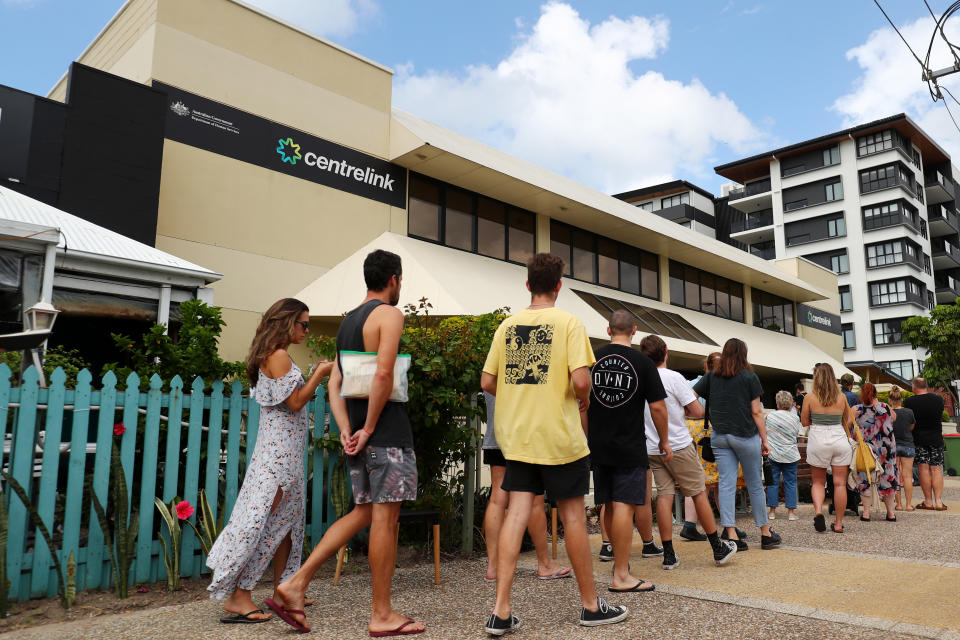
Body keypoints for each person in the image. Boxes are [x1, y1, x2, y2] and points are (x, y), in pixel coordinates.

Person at [274, 250, 424, 636]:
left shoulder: (347, 323)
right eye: (400, 280)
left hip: (356, 431)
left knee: (363, 512)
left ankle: (295, 583)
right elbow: (385, 374)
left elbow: (335, 383)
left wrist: (346, 428)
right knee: (384, 521)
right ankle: (382, 615)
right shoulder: (389, 315)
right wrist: (371, 427)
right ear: (394, 279)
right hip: (384, 432)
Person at [481, 253, 628, 635]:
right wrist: (583, 395)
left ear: (527, 285)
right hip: (559, 437)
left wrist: (518, 393)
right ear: (559, 286)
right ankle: (590, 606)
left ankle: (500, 609)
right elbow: (581, 381)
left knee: (517, 512)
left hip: (517, 437)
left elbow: (487, 381)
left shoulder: (508, 326)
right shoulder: (568, 323)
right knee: (573, 517)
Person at [206, 298, 333, 623]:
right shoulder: (276, 356)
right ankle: (239, 596)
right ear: (286, 322)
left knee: (286, 525)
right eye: (303, 324)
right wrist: (319, 374)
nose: (306, 330)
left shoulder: (279, 355)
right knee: (260, 524)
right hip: (276, 459)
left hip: (285, 455)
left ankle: (284, 587)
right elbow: (294, 403)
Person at [640, 335, 738, 570]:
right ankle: (718, 547)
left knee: (664, 495)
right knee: (697, 492)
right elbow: (696, 410)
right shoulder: (674, 378)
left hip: (652, 446)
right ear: (665, 352)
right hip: (678, 444)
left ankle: (669, 554)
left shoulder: (641, 378)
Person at [587, 311, 669, 591]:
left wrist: (588, 437)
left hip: (598, 444)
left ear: (608, 329)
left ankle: (613, 555)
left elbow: (581, 403)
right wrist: (665, 440)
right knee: (624, 504)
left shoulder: (591, 359)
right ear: (634, 330)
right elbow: (658, 407)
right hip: (629, 444)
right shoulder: (643, 363)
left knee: (609, 503)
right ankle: (621, 574)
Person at [693, 338, 781, 551]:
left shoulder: (711, 376)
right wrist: (765, 440)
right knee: (754, 484)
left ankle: (731, 532)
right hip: (745, 436)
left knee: (726, 483)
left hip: (720, 436)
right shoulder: (750, 377)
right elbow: (757, 411)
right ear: (744, 354)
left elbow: (691, 395)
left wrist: (705, 413)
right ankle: (765, 533)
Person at [482, 391, 572, 582]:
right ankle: (544, 564)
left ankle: (493, 567)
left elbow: (487, 384)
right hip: (524, 436)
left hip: (496, 434)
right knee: (534, 499)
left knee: (498, 497)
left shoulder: (494, 361)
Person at [801, 363, 853, 533]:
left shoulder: (809, 397)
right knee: (840, 484)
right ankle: (838, 524)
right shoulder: (841, 397)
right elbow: (847, 420)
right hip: (839, 438)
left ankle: (818, 512)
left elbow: (804, 422)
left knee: (818, 482)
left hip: (818, 438)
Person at [852, 383, 899, 522]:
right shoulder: (885, 407)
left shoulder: (856, 409)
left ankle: (866, 513)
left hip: (866, 451)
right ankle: (890, 513)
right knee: (888, 478)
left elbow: (848, 424)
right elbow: (894, 418)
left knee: (865, 478)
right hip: (887, 450)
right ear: (876, 394)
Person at [904, 378, 947, 510]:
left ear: (915, 387)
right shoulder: (938, 400)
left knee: (923, 469)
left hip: (919, 439)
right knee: (937, 468)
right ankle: (939, 502)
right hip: (936, 439)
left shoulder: (909, 402)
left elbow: (909, 420)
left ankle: (928, 501)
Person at [765, 391, 802, 522]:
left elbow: (766, 432)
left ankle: (772, 512)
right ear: (791, 403)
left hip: (773, 453)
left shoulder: (770, 416)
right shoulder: (795, 418)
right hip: (791, 454)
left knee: (772, 483)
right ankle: (791, 512)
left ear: (777, 402)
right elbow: (797, 433)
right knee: (791, 483)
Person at [889, 386, 916, 512]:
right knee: (907, 475)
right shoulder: (909, 412)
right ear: (902, 399)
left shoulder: (888, 412)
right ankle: (909, 505)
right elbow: (912, 426)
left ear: (890, 399)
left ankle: (898, 504)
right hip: (907, 445)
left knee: (896, 475)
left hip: (893, 445)